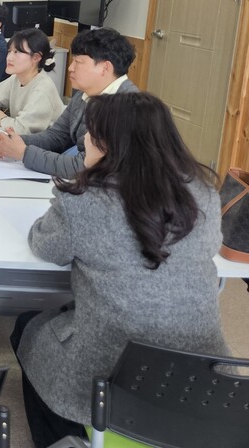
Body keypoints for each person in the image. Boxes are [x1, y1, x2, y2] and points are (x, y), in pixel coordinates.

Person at [13, 92, 228, 447]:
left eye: (91, 133)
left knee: (29, 329)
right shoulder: (202, 194)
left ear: (107, 143)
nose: (84, 139)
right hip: (202, 368)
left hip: (115, 365)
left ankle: (62, 437)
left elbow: (45, 246)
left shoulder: (84, 199)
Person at [0, 27, 137, 177]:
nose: (71, 68)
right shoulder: (84, 94)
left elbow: (83, 166)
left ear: (105, 67)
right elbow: (57, 136)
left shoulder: (126, 107)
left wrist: (24, 153)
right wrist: (14, 141)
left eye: (78, 62)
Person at [0, 28, 64, 135]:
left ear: (36, 57)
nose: (9, 58)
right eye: (9, 51)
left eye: (17, 52)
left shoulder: (42, 89)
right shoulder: (16, 78)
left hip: (43, 147)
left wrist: (1, 117)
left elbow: (21, 129)